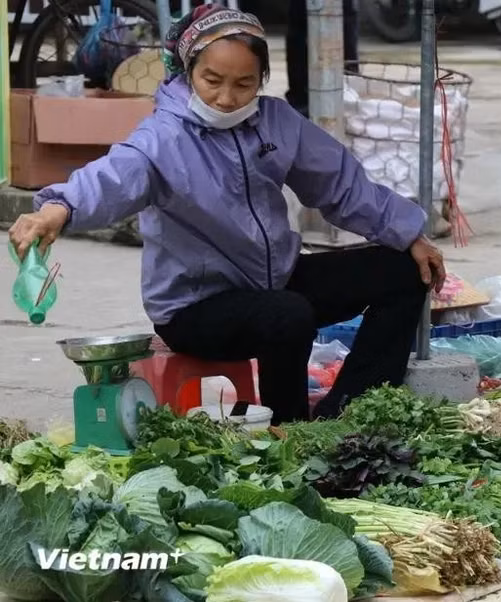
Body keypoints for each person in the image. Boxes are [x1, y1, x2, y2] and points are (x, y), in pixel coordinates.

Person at [8, 4, 446, 425]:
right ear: (188, 72)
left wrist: (408, 234)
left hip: (273, 280)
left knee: (405, 271)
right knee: (288, 314)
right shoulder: (164, 138)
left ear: (261, 80)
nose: (225, 97)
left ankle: (350, 411)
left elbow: (340, 184)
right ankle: (289, 432)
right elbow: (113, 177)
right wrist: (58, 209)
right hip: (195, 308)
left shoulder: (276, 122)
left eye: (244, 83)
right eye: (212, 80)